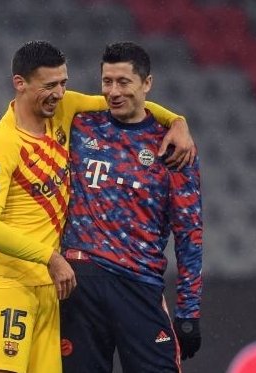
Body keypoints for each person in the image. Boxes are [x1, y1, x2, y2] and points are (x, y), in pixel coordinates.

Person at [0, 40, 195, 373]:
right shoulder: (1, 142)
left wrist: (178, 122)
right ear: (20, 83)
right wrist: (51, 257)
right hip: (9, 284)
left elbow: (129, 106)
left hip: (50, 290)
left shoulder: (63, 108)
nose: (59, 93)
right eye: (49, 85)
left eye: (63, 82)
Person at [60, 42, 203, 373]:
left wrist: (188, 310)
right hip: (82, 283)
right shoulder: (80, 127)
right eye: (107, 81)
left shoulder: (173, 147)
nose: (113, 91)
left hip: (138, 285)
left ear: (147, 84)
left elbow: (189, 232)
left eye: (123, 82)